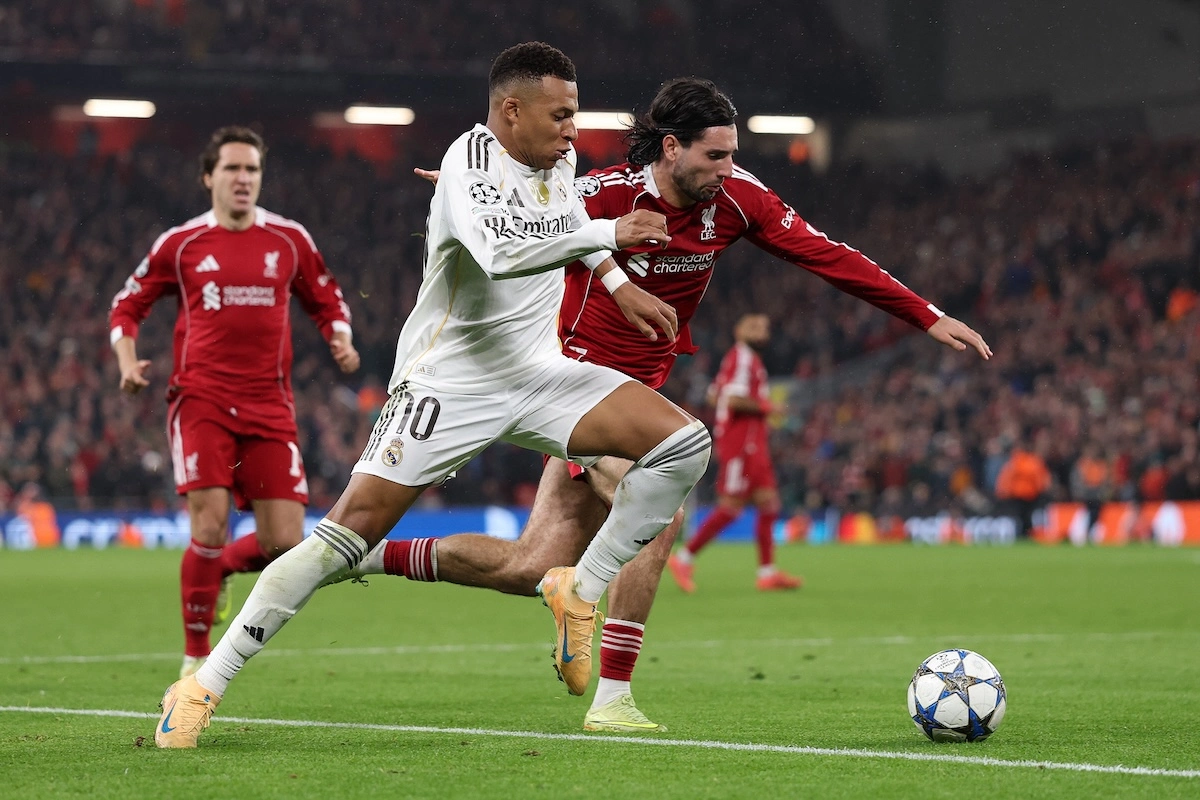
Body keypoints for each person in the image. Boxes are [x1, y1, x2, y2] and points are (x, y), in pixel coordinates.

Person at [351, 77, 992, 732]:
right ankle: (612, 701)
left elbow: (828, 256)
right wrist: (463, 187)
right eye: (714, 156)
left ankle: (369, 554)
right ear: (670, 148)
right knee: (659, 508)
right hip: (569, 387)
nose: (728, 168)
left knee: (529, 565)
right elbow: (521, 212)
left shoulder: (739, 202)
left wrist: (925, 314)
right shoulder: (604, 194)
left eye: (732, 154)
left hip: (635, 399)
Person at [153, 42, 713, 749]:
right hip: (450, 384)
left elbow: (567, 228)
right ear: (512, 110)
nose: (575, 129)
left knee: (683, 445)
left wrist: (616, 281)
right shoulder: (468, 162)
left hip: (540, 373)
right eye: (562, 114)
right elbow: (502, 253)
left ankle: (580, 587)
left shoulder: (557, 160)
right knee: (337, 541)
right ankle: (203, 684)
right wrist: (611, 232)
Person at [109, 126, 360, 680]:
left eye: (252, 170)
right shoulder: (182, 244)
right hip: (201, 399)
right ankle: (194, 661)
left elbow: (326, 296)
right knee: (210, 523)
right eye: (232, 169)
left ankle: (218, 569)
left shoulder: (289, 240)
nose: (244, 179)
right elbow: (127, 306)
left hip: (270, 405)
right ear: (208, 177)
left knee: (286, 544)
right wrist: (128, 362)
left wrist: (339, 334)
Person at [667, 313, 801, 593]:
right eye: (755, 326)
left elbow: (715, 395)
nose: (762, 331)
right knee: (731, 507)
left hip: (753, 444)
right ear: (739, 330)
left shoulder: (744, 360)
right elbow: (734, 399)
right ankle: (683, 558)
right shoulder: (742, 358)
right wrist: (768, 407)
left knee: (769, 504)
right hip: (742, 445)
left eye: (765, 326)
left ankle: (767, 573)